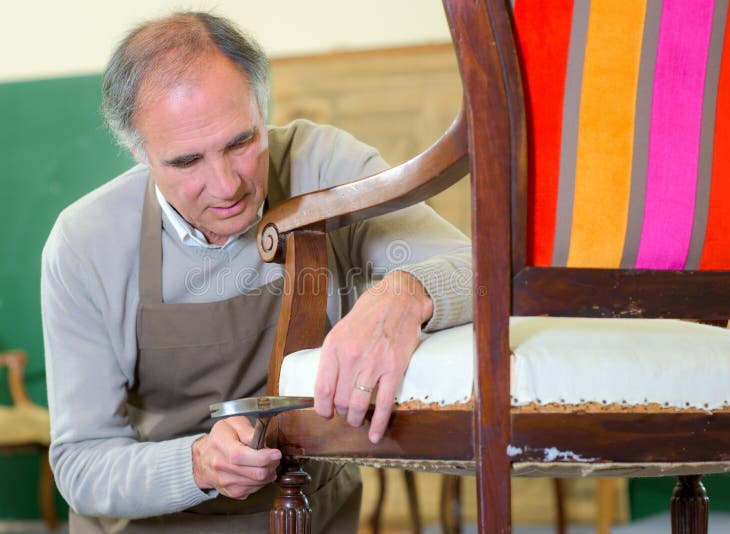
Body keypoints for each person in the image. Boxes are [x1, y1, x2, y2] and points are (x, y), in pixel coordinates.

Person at [41, 11, 473, 533]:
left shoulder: (323, 166)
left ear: (261, 105)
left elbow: (479, 268)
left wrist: (404, 294)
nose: (226, 186)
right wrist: (197, 464)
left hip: (312, 514)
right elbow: (82, 462)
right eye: (186, 162)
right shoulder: (84, 244)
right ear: (138, 151)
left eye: (240, 142)